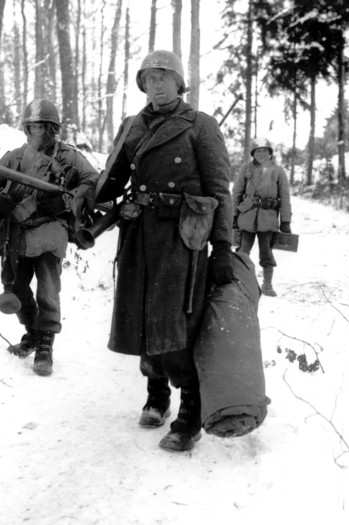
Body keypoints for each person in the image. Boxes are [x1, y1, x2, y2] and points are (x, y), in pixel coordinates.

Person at [96, 50, 234, 452]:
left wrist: (223, 245)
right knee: (140, 315)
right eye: (148, 79)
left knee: (175, 321)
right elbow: (110, 180)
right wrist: (87, 195)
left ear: (178, 83)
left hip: (182, 236)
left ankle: (189, 414)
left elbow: (219, 190)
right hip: (138, 232)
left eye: (163, 77)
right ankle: (157, 395)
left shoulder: (200, 126)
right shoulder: (132, 127)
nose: (155, 85)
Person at [0, 99, 99, 376]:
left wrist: (69, 201)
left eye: (45, 128)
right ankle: (32, 332)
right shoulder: (16, 156)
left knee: (47, 289)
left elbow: (92, 181)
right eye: (34, 127)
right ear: (26, 129)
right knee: (15, 286)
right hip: (16, 232)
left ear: (54, 129)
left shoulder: (69, 158)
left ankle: (45, 344)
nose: (40, 133)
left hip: (50, 230)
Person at [232, 137, 292, 296]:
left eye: (265, 151)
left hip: (268, 218)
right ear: (253, 153)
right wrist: (233, 215)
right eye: (258, 151)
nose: (261, 154)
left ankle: (267, 284)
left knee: (266, 252)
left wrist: (285, 220)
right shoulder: (246, 169)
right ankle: (239, 283)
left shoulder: (278, 171)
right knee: (243, 251)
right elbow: (236, 193)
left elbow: (285, 197)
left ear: (270, 153)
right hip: (247, 216)